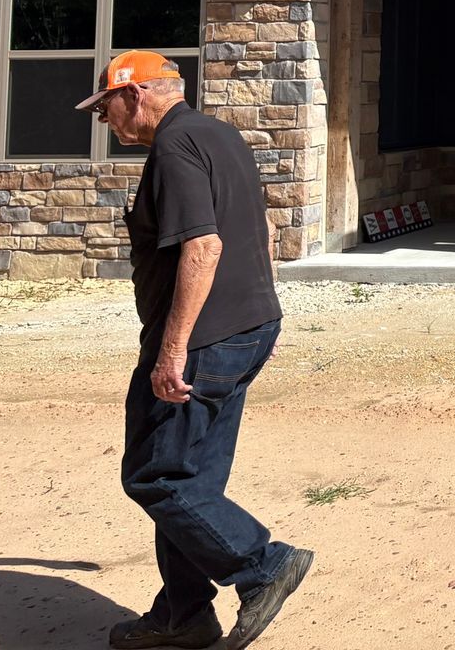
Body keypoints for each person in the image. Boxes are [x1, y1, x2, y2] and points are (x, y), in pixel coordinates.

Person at [77, 51, 314, 650]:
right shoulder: (220, 135)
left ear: (136, 95)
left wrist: (172, 351)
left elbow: (204, 247)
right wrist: (259, 314)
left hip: (202, 342)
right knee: (191, 477)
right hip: (243, 330)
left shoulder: (175, 148)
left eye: (106, 106)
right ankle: (184, 613)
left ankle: (262, 565)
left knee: (156, 478)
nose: (105, 119)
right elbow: (253, 230)